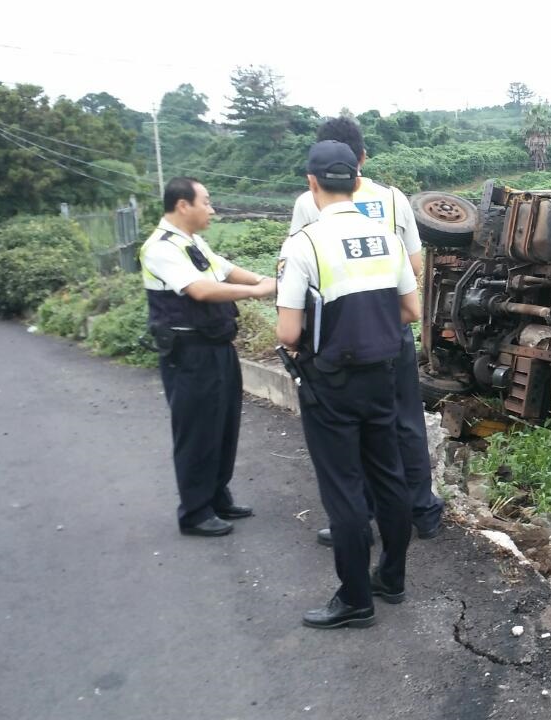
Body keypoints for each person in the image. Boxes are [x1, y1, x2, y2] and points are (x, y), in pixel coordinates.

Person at [277, 140, 420, 629]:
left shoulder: (304, 243)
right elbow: (411, 311)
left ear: (312, 183)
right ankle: (393, 580)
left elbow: (288, 333)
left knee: (344, 491)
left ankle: (356, 599)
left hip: (331, 384)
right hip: (382, 376)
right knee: (388, 477)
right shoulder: (386, 237)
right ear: (355, 180)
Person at [289, 117, 443, 547]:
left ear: (318, 172)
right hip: (393, 330)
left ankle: (357, 520)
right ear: (362, 159)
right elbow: (414, 267)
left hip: (339, 340)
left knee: (350, 432)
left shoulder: (309, 202)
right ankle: (423, 511)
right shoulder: (394, 199)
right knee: (406, 423)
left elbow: (299, 278)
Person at [141, 177, 276, 537]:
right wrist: (259, 292)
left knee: (223, 424)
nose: (212, 209)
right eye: (207, 202)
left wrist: (268, 279)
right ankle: (195, 511)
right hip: (189, 353)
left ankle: (218, 495)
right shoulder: (160, 247)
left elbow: (225, 269)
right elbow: (200, 289)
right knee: (197, 429)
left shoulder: (192, 242)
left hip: (217, 346)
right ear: (183, 205)